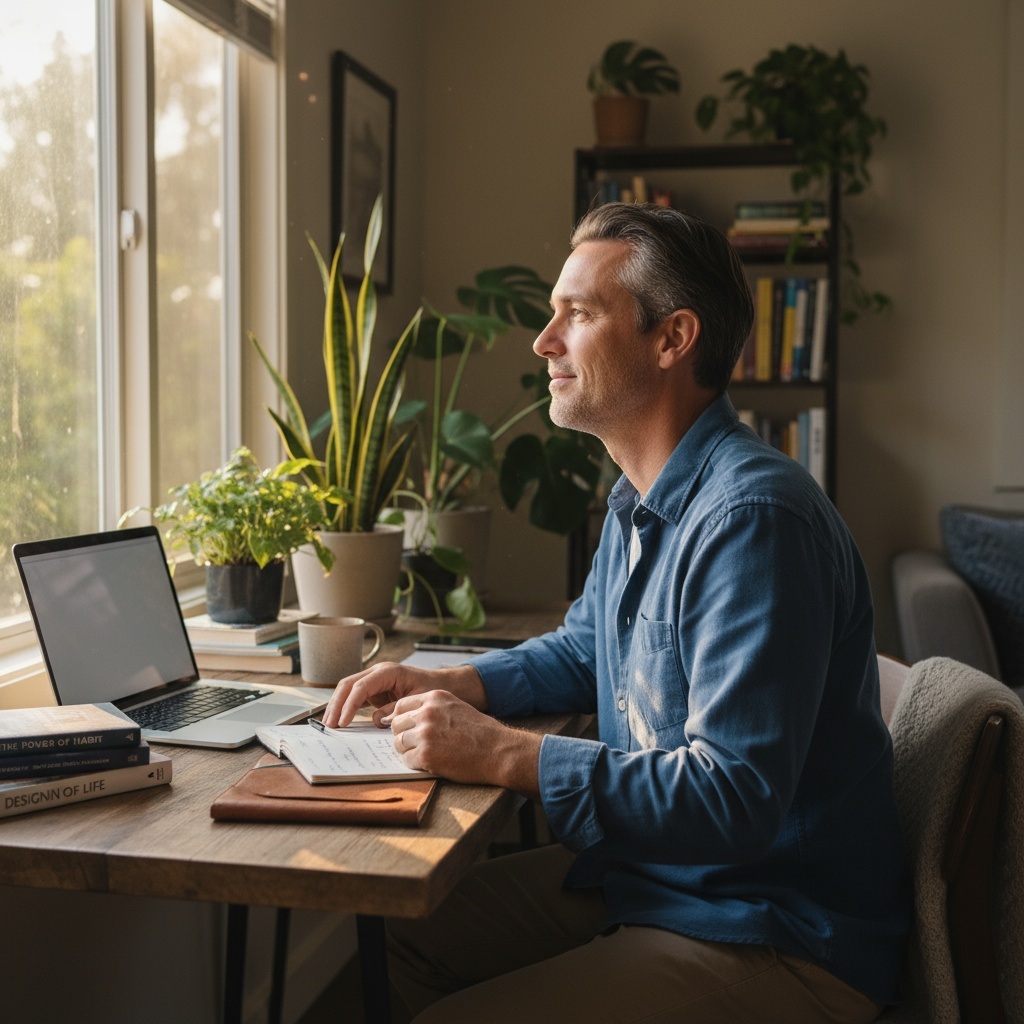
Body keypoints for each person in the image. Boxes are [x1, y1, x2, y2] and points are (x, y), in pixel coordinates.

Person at [322, 203, 911, 1023]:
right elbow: (588, 648)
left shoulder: (753, 522)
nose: (544, 341)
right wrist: (450, 679)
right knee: (402, 940)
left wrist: (502, 754)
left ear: (672, 339)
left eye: (580, 314)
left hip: (772, 927)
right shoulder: (644, 496)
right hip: (658, 879)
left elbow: (732, 798)